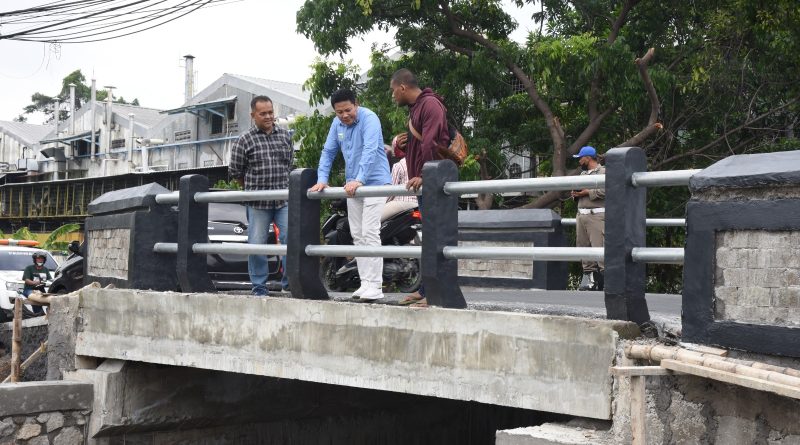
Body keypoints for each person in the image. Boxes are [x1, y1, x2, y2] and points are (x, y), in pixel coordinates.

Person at [309, 89, 391, 301]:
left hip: (374, 183)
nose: (344, 115)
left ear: (357, 104)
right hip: (352, 186)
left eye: (348, 110)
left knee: (370, 231)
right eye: (339, 112)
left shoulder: (369, 118)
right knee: (357, 234)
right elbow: (328, 152)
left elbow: (370, 150)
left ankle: (376, 285)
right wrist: (322, 179)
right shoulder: (337, 124)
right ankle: (365, 283)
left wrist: (360, 179)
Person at [389, 68, 450, 307]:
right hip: (425, 183)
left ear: (403, 87)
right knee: (428, 239)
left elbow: (432, 144)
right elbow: (419, 145)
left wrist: (425, 175)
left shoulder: (430, 105)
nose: (393, 95)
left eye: (393, 91)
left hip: (434, 183)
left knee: (436, 238)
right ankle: (425, 290)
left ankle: (435, 294)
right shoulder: (417, 109)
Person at [229, 95, 293, 296]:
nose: (268, 116)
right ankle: (259, 288)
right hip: (257, 203)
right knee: (256, 244)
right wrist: (251, 189)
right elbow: (235, 171)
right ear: (253, 115)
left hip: (283, 200)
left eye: (270, 112)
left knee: (290, 240)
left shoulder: (285, 136)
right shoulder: (244, 140)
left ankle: (289, 284)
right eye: (263, 113)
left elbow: (289, 165)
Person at [570, 146, 605, 291]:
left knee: (600, 248)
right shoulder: (583, 174)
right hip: (581, 214)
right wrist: (576, 194)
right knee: (583, 248)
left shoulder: (604, 172)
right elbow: (580, 192)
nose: (579, 161)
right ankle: (589, 280)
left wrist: (587, 192)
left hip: (596, 215)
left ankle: (605, 282)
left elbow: (607, 190)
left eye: (580, 158)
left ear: (588, 158)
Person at [381, 134, 418, 221]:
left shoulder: (399, 165)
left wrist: (381, 204)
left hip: (402, 202)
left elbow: (391, 192)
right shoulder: (422, 161)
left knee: (371, 221)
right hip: (420, 203)